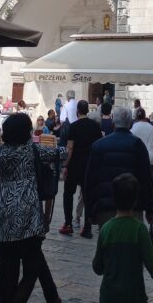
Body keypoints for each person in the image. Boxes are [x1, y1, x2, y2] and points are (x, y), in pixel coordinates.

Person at [0, 112, 65, 303]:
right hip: (27, 213)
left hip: (4, 211)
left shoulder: (1, 152)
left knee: (8, 264)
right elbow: (62, 153)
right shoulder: (32, 151)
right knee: (31, 268)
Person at [93, 173, 153, 303]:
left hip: (109, 295)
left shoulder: (105, 229)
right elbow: (151, 264)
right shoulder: (139, 230)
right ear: (135, 200)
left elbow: (97, 267)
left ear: (114, 198)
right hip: (134, 295)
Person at [85, 106, 153, 229]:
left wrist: (90, 211)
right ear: (130, 122)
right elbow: (146, 179)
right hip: (132, 207)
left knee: (109, 244)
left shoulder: (98, 146)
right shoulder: (138, 145)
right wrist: (149, 210)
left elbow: (90, 180)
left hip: (105, 207)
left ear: (113, 121)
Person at [59, 99, 102, 238]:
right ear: (87, 111)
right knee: (87, 195)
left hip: (74, 165)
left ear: (77, 111)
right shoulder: (95, 127)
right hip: (89, 165)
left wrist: (65, 165)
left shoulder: (74, 126)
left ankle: (68, 224)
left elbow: (70, 148)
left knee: (68, 194)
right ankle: (87, 227)